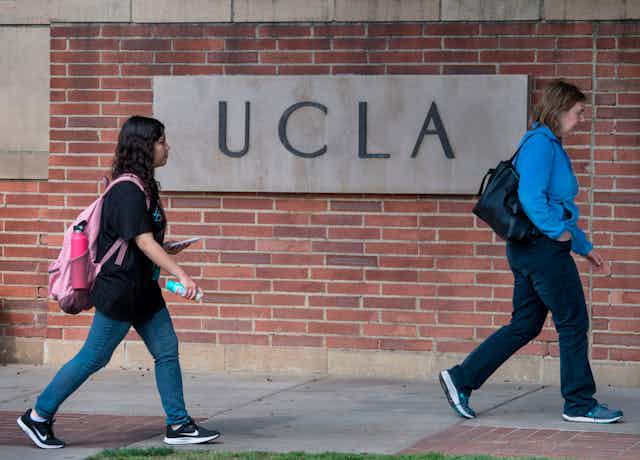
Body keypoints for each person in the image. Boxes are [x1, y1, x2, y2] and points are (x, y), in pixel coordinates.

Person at [17, 116, 221, 448]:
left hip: (142, 290)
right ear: (144, 146)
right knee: (93, 357)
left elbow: (138, 241)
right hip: (120, 291)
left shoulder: (144, 186)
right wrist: (180, 273)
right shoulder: (126, 189)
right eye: (160, 141)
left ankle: (179, 424)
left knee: (166, 350)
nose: (166, 147)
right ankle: (38, 416)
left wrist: (166, 250)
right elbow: (141, 241)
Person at [439, 80, 623, 424]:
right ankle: (580, 403)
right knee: (573, 322)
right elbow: (532, 198)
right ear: (559, 109)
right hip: (541, 249)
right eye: (578, 112)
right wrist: (559, 236)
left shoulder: (547, 143)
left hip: (530, 248)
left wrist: (583, 247)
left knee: (524, 324)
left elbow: (556, 203)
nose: (581, 119)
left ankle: (461, 378)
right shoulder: (541, 144)